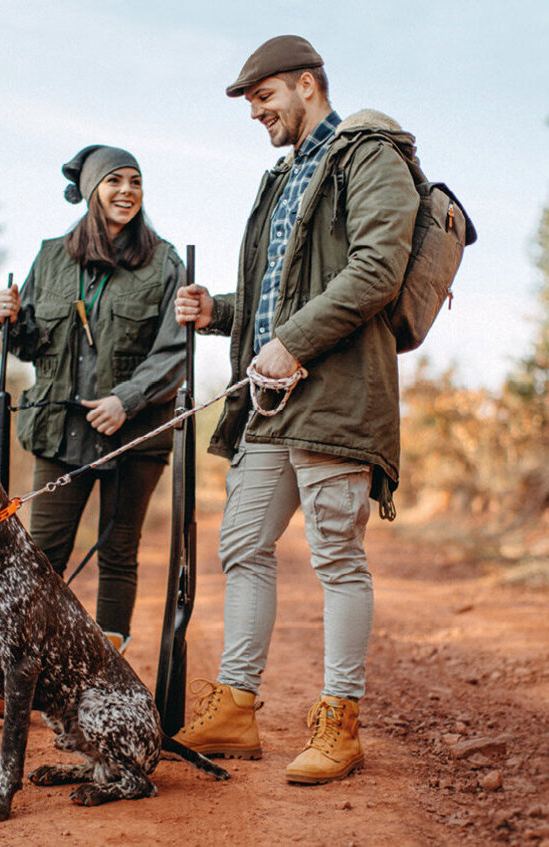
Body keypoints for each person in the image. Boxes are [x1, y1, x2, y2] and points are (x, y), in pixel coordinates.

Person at [171, 35, 419, 784]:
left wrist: (293, 341)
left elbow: (378, 267)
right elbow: (280, 297)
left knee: (336, 555)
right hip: (272, 402)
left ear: (307, 84)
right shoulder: (281, 179)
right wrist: (218, 309)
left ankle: (340, 721)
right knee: (242, 542)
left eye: (263, 97)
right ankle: (237, 706)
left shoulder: (366, 153)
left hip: (339, 393)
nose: (257, 112)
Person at [0, 144, 186, 655]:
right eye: (114, 182)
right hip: (59, 431)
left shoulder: (165, 260)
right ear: (91, 191)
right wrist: (12, 321)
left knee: (119, 553)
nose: (127, 192)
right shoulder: (51, 257)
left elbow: (174, 350)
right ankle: (23, 668)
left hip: (135, 434)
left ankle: (100, 673)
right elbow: (32, 348)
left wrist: (126, 400)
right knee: (42, 556)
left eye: (135, 182)